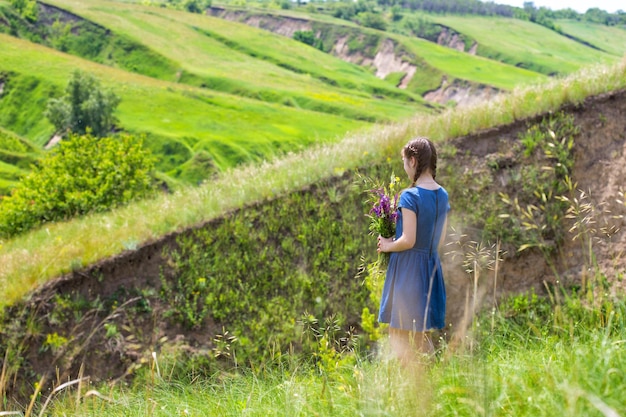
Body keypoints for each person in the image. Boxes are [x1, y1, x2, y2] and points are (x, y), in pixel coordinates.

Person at [377, 137, 449, 363]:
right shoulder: (442, 195)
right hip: (431, 268)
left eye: (404, 162)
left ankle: (411, 382)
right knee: (421, 333)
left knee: (397, 333)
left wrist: (388, 245)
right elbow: (440, 240)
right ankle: (429, 379)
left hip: (409, 269)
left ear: (413, 161)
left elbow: (408, 239)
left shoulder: (410, 196)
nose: (405, 168)